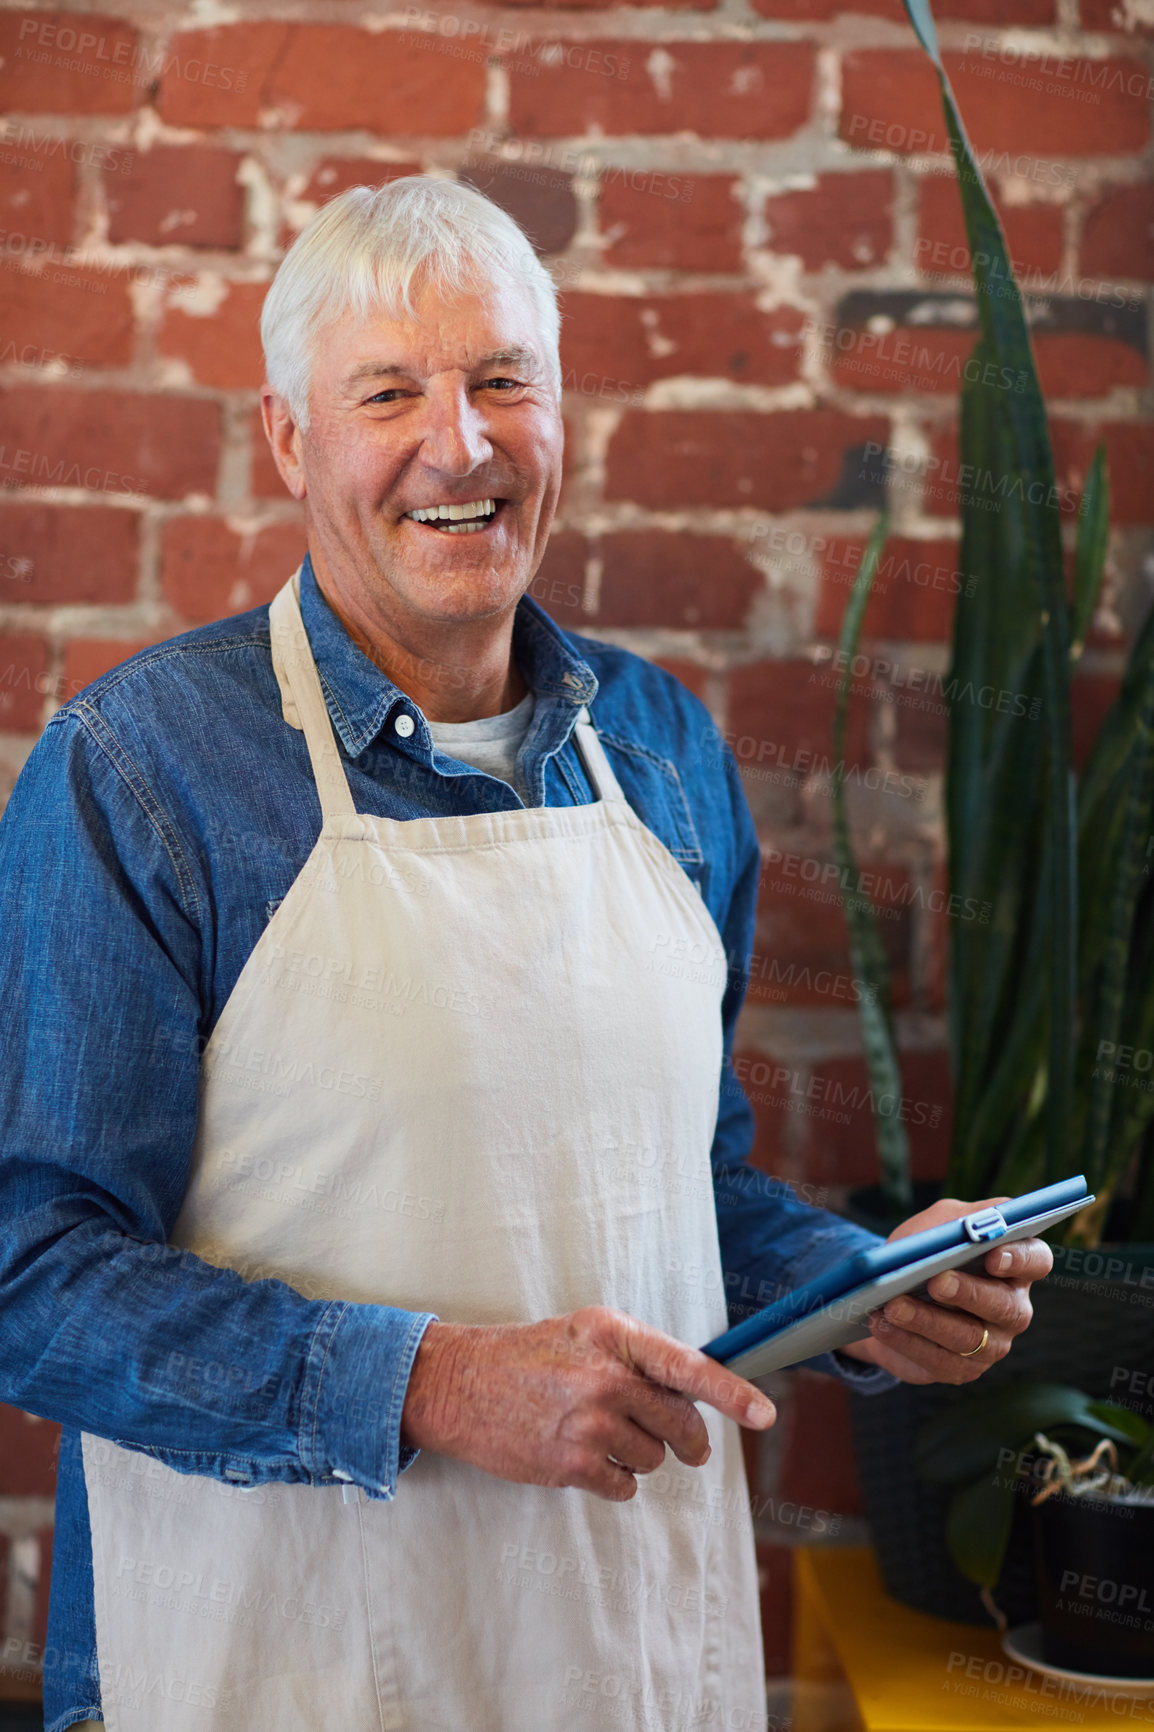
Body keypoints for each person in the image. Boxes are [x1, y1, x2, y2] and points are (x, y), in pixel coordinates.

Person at [0, 177, 1051, 1732]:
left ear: (560, 415)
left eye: (504, 379)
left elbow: (675, 1190)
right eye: (389, 393)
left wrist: (860, 1290)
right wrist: (431, 1383)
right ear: (290, 437)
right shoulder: (140, 772)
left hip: (625, 1651)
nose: (463, 442)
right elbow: (33, 1274)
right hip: (270, 1665)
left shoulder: (662, 747)